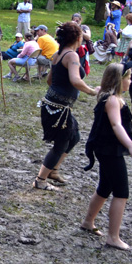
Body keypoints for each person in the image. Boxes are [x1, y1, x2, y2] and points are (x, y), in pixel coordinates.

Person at [81, 63, 132, 250]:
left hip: (106, 149)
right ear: (119, 80)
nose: (131, 81)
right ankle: (113, 237)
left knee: (105, 187)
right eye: (129, 78)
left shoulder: (115, 98)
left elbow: (130, 124)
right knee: (121, 192)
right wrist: (131, 146)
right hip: (109, 151)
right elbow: (116, 125)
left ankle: (88, 222)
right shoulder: (112, 100)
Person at [33, 22, 98, 191]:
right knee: (60, 145)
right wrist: (92, 91)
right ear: (78, 38)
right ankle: (40, 180)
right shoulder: (71, 56)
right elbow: (75, 80)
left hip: (55, 105)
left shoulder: (58, 54)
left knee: (74, 136)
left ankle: (53, 170)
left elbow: (49, 80)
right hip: (58, 108)